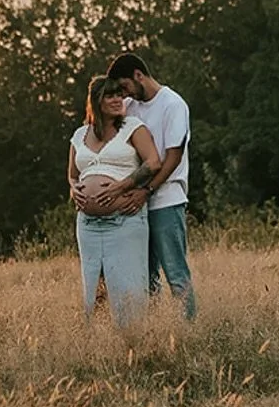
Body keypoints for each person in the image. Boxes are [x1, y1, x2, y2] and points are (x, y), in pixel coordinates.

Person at [104, 51, 196, 320]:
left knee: (176, 273)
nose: (123, 94)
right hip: (136, 204)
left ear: (138, 75)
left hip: (166, 200)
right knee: (145, 275)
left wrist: (147, 191)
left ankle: (188, 331)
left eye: (124, 87)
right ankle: (154, 332)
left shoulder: (173, 104)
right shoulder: (131, 107)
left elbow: (173, 157)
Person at [68, 75, 161, 327]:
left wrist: (122, 186)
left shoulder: (133, 127)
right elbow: (73, 174)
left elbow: (153, 162)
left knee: (128, 288)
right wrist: (74, 189)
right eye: (110, 95)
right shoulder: (80, 135)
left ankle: (133, 340)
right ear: (97, 101)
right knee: (94, 289)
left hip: (125, 220)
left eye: (120, 94)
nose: (118, 99)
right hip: (88, 225)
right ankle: (98, 344)